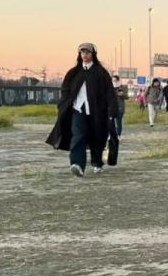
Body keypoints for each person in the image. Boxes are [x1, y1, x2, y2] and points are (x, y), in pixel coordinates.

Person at [46, 43, 118, 177]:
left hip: (97, 112)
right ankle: (77, 165)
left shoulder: (100, 73)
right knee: (78, 136)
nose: (85, 55)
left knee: (97, 137)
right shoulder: (73, 73)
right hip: (78, 110)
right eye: (82, 53)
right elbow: (65, 91)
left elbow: (109, 93)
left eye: (87, 53)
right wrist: (63, 105)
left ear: (93, 55)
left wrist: (112, 112)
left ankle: (97, 162)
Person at [112, 75, 128, 140]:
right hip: (111, 107)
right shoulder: (109, 87)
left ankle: (118, 135)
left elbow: (127, 97)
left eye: (115, 80)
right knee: (111, 122)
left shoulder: (123, 87)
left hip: (120, 107)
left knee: (118, 122)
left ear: (118, 80)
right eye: (113, 80)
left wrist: (122, 95)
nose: (114, 82)